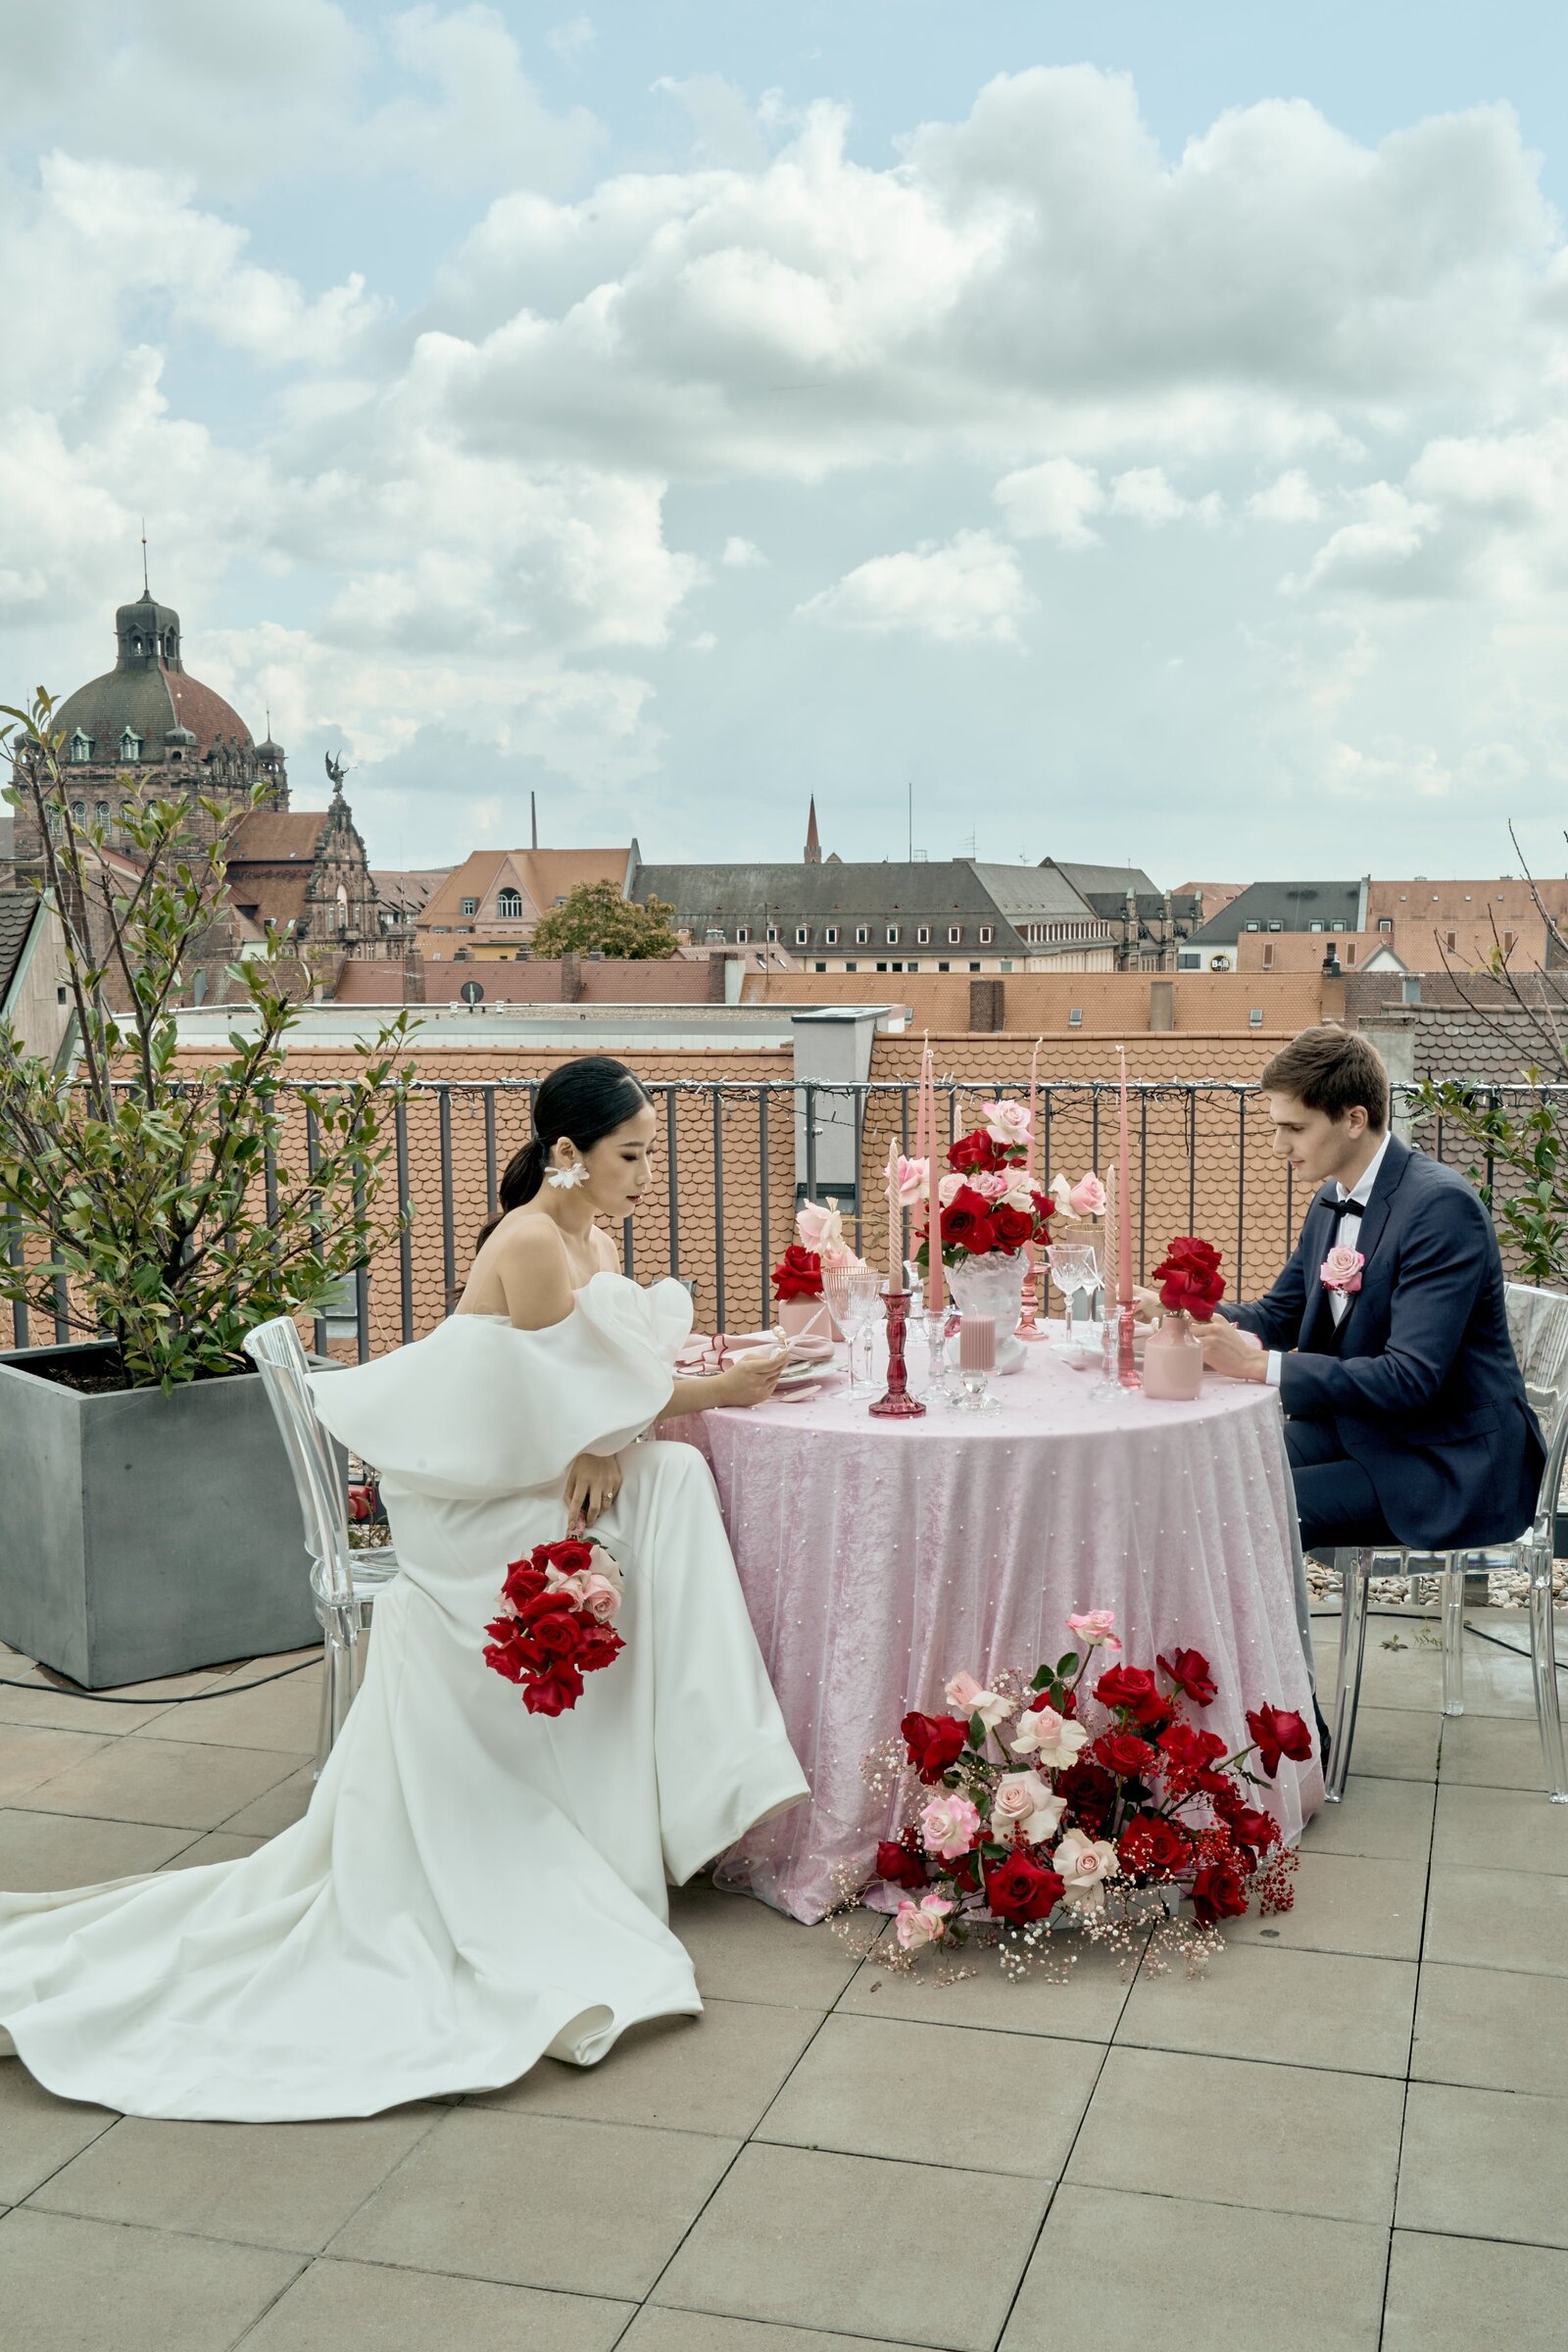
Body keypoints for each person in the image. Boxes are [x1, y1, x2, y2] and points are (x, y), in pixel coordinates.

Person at [0, 1055, 808, 2121]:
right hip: (464, 1507)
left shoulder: (587, 1233)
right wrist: (676, 1406)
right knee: (680, 1481)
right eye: (632, 1155)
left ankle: (701, 1777)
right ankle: (701, 1775)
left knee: (673, 1482)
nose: (647, 1175)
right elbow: (567, 1396)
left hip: (523, 1463)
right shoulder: (529, 1241)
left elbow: (586, 1393)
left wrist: (622, 1429)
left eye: (649, 1155)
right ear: (568, 1154)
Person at [1195, 1027, 1544, 1561]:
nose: (1277, 1145)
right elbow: (1281, 1315)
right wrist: (1186, 1310)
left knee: (1246, 1506)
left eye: (1294, 1128)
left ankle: (1261, 1649)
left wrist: (1259, 1366)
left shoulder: (1441, 1209)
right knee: (1205, 1469)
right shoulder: (1333, 1198)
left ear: (1354, 1119)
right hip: (1365, 1432)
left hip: (1445, 1463)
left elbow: (1411, 1378)